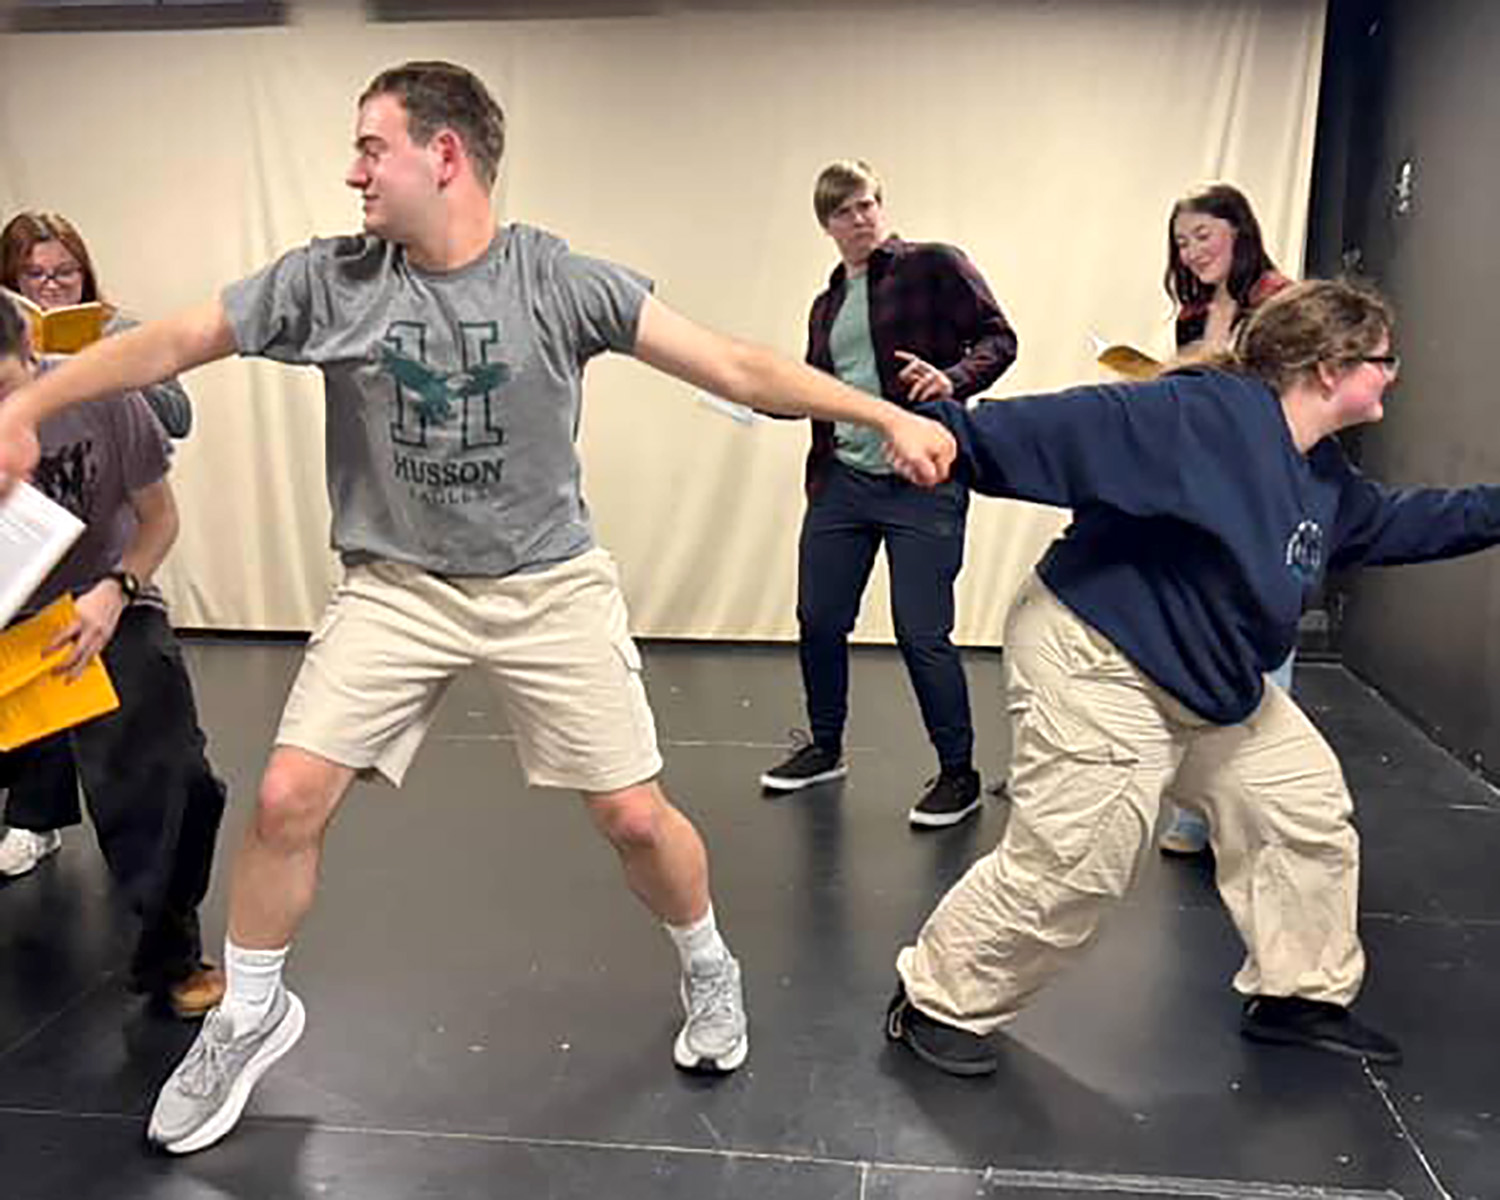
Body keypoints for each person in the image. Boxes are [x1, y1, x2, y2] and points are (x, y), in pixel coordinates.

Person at [0, 61, 955, 1155]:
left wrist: (881, 415)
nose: (353, 171)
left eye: (372, 147)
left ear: (443, 154)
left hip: (546, 584)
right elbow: (173, 341)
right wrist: (31, 402)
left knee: (634, 817)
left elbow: (734, 367)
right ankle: (251, 1011)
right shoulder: (330, 281)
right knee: (287, 794)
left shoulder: (556, 281)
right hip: (395, 587)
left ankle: (707, 963)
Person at [884, 278, 1494, 1077]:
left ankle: (1298, 996)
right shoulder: (1196, 416)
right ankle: (936, 999)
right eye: (1385, 361)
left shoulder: (1320, 472)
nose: (1394, 375)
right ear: (1329, 367)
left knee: (1300, 809)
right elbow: (1053, 430)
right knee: (1079, 858)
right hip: (1100, 657)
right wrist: (942, 432)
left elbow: (1395, 524)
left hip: (1209, 677)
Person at [759, 160, 1017, 829]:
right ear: (826, 225)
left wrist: (954, 377)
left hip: (921, 480)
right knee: (819, 618)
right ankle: (825, 747)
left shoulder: (932, 265)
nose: (860, 219)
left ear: (882, 206)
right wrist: (762, 398)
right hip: (842, 482)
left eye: (867, 204)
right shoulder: (827, 305)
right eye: (844, 212)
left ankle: (958, 773)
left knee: (922, 631)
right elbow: (821, 388)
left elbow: (1000, 338)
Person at [0, 294, 227, 1018]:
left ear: (30, 351)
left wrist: (115, 590)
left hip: (99, 602)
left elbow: (159, 519)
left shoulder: (102, 397)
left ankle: (170, 955)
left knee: (174, 779)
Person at [0, 210, 196, 879]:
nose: (52, 285)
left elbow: (178, 423)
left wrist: (99, 371)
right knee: (37, 709)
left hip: (101, 563)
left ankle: (152, 886)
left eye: (65, 272)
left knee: (156, 748)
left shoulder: (119, 336)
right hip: (20, 583)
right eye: (34, 275)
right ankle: (34, 819)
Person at [1157, 183, 1293, 856]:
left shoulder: (1284, 303)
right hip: (1204, 489)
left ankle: (1257, 814)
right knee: (1201, 644)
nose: (1192, 251)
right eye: (1182, 242)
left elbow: (1290, 400)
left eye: (1203, 235)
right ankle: (1199, 809)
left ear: (1239, 229)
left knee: (1264, 649)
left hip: (1267, 491)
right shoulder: (1192, 311)